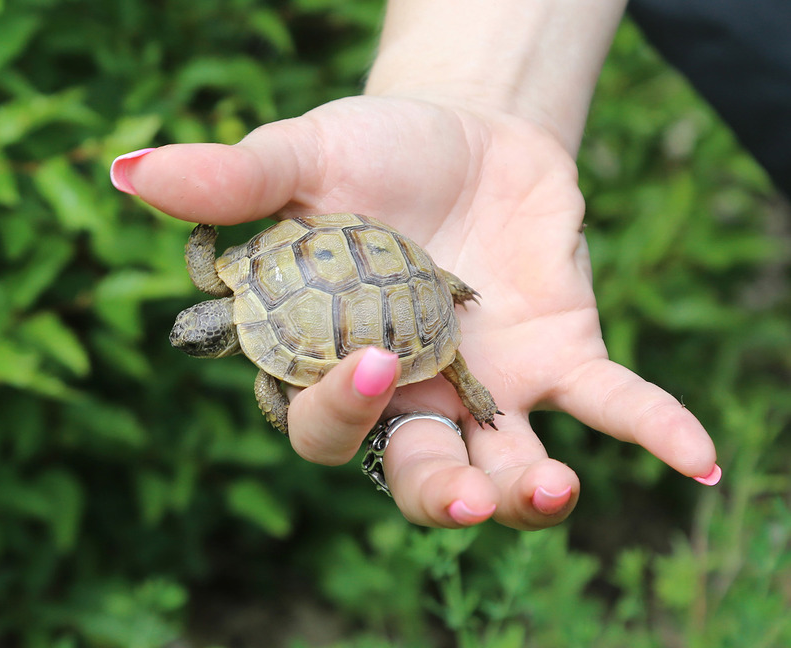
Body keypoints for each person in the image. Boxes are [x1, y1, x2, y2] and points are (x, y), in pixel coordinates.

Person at [108, 0, 740, 531]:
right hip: (383, 250)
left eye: (200, 333)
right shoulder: (235, 268)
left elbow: (276, 399)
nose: (199, 332)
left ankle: (459, 364)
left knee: (378, 372)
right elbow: (209, 258)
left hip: (398, 280)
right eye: (198, 334)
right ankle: (449, 322)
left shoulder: (258, 350)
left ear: (222, 336)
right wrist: (479, 107)